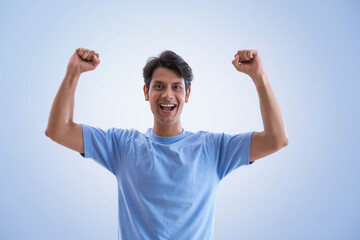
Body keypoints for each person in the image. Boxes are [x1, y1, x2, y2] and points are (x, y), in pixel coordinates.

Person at [45, 47, 288, 240]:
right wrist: (73, 71)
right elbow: (59, 130)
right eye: (159, 86)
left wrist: (259, 77)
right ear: (146, 92)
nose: (167, 95)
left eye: (176, 88)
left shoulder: (214, 148)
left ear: (187, 95)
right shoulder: (122, 146)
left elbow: (276, 139)